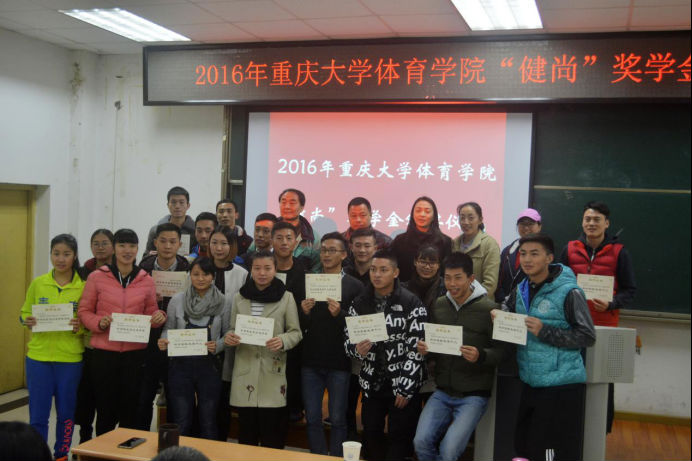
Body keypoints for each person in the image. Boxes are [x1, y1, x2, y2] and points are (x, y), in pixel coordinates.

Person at [493, 233, 596, 461]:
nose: (527, 259)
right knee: (524, 446)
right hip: (530, 380)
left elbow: (587, 336)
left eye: (534, 254)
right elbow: (508, 309)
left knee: (551, 452)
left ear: (549, 258)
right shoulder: (521, 288)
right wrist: (500, 315)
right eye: (523, 254)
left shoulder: (570, 292)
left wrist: (545, 331)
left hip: (561, 385)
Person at [413, 252, 506, 461]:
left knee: (449, 451)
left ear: (471, 278)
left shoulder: (490, 309)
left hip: (473, 395)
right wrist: (427, 349)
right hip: (442, 391)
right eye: (447, 278)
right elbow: (436, 344)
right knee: (421, 442)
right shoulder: (439, 305)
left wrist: (481, 355)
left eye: (458, 278)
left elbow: (502, 352)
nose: (452, 284)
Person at [78, 229, 166, 435]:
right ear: (114, 249)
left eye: (132, 246)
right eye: (122, 245)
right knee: (105, 411)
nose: (127, 251)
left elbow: (151, 313)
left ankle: (126, 450)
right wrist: (99, 323)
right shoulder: (97, 277)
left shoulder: (146, 279)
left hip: (134, 356)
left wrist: (159, 316)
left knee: (130, 411)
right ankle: (103, 449)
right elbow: (84, 311)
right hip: (104, 355)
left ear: (138, 249)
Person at [560, 201, 636, 434]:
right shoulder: (570, 249)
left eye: (596, 219)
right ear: (582, 222)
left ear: (607, 223)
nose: (591, 223)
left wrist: (611, 304)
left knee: (603, 379)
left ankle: (600, 430)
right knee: (570, 376)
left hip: (605, 326)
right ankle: (571, 427)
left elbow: (629, 290)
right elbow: (559, 283)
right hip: (572, 325)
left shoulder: (619, 252)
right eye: (587, 219)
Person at [344, 249, 427, 461]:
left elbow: (416, 350)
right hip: (372, 383)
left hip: (402, 383)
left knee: (400, 438)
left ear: (395, 272)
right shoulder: (359, 303)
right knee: (371, 434)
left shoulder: (411, 303)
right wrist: (356, 350)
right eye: (373, 270)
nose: (377, 275)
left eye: (383, 270)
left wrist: (406, 387)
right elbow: (347, 342)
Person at [224, 250, 302, 449]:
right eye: (257, 268)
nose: (262, 273)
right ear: (251, 270)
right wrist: (230, 336)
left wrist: (282, 340)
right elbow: (232, 328)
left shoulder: (286, 297)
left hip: (272, 371)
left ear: (275, 270)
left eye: (267, 268)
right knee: (246, 436)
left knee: (272, 436)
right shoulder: (239, 297)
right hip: (245, 371)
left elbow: (295, 332)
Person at [19, 234, 85, 461]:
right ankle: (38, 455)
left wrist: (80, 327)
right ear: (50, 255)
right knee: (38, 415)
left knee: (66, 414)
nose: (61, 259)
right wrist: (26, 320)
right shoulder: (38, 283)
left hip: (70, 360)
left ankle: (61, 454)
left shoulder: (83, 287)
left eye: (66, 254)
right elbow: (24, 312)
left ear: (74, 256)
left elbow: (88, 323)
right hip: (38, 358)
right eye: (56, 253)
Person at [300, 233, 363, 456]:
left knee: (337, 418)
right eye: (324, 250)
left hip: (339, 362)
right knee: (312, 418)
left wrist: (340, 314)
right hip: (311, 360)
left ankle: (336, 457)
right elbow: (300, 325)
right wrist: (304, 312)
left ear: (344, 254)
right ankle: (317, 456)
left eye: (332, 250)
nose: (326, 254)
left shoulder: (355, 286)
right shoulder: (310, 281)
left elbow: (358, 326)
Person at [158, 257, 231, 439]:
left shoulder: (223, 302)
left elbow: (229, 332)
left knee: (208, 421)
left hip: (210, 367)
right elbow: (168, 329)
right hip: (180, 367)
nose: (200, 278)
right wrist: (163, 340)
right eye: (196, 274)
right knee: (182, 420)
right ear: (189, 275)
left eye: (205, 274)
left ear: (213, 276)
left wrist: (218, 345)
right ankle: (180, 454)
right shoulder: (177, 300)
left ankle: (208, 453)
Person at [136, 223, 191, 431]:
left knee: (175, 394)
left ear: (179, 244)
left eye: (172, 241)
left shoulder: (187, 268)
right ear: (155, 243)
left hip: (176, 337)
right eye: (163, 241)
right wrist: (149, 300)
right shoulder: (144, 268)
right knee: (144, 394)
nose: (168, 246)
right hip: (149, 337)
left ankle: (172, 440)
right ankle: (141, 435)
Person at [208, 225, 248, 441]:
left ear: (232, 246)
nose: (219, 248)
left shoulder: (242, 273)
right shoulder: (200, 269)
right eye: (214, 242)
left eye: (224, 243)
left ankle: (221, 442)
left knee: (224, 396)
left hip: (232, 341)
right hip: (204, 341)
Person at [75, 229, 114, 444]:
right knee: (86, 394)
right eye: (96, 243)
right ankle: (84, 437)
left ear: (113, 246)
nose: (100, 247)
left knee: (106, 397)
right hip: (86, 342)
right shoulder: (81, 272)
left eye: (105, 243)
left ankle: (104, 441)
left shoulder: (121, 271)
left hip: (112, 343)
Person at [271, 221, 308, 422]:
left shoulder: (304, 271)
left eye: (288, 238)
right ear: (272, 241)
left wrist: (305, 311)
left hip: (295, 335)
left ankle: (294, 407)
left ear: (296, 242)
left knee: (293, 373)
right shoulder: (264, 268)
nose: (284, 242)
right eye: (279, 238)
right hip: (268, 334)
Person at [390, 196, 452, 283]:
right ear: (412, 215)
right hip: (404, 289)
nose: (422, 214)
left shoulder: (445, 242)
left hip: (437, 289)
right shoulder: (400, 240)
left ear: (434, 216)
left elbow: (447, 272)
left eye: (427, 211)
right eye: (418, 210)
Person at [452, 202, 501, 299]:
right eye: (462, 218)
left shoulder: (490, 244)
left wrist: (469, 301)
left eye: (471, 218)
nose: (466, 222)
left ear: (480, 220)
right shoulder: (455, 243)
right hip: (456, 301)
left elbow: (490, 284)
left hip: (480, 303)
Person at [496, 208, 542, 303]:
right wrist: (502, 300)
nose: (526, 228)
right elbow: (498, 278)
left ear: (539, 226)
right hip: (505, 305)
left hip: (531, 304)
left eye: (530, 224)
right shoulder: (507, 250)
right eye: (522, 224)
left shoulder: (544, 252)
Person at [277, 188, 321, 271]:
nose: (287, 207)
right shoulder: (269, 231)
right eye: (283, 202)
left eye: (292, 203)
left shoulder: (312, 236)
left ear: (302, 207)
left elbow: (317, 267)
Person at [145, 186, 196, 256]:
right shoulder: (155, 230)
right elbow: (145, 256)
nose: (177, 206)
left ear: (188, 205)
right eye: (173, 202)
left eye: (181, 202)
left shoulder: (196, 231)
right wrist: (150, 256)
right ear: (168, 205)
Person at [402, 245, 446, 310]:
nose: (427, 267)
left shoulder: (446, 288)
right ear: (415, 262)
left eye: (432, 263)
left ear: (438, 265)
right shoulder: (403, 289)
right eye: (423, 262)